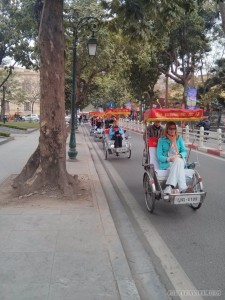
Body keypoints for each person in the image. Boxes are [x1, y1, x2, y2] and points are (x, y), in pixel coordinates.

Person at [157, 121, 193, 194]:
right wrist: (168, 158)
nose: (172, 130)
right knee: (179, 162)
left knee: (178, 160)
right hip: (167, 163)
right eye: (170, 128)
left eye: (174, 128)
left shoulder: (179, 139)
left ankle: (169, 186)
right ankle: (182, 188)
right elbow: (159, 155)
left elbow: (184, 152)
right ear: (167, 129)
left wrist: (178, 155)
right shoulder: (161, 140)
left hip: (178, 159)